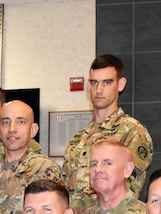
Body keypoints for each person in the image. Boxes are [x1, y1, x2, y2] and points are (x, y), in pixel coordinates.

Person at [62, 54, 154, 204]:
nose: (99, 90)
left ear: (121, 84)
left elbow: (128, 192)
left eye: (107, 83)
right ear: (88, 86)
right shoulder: (78, 139)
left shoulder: (131, 131)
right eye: (94, 83)